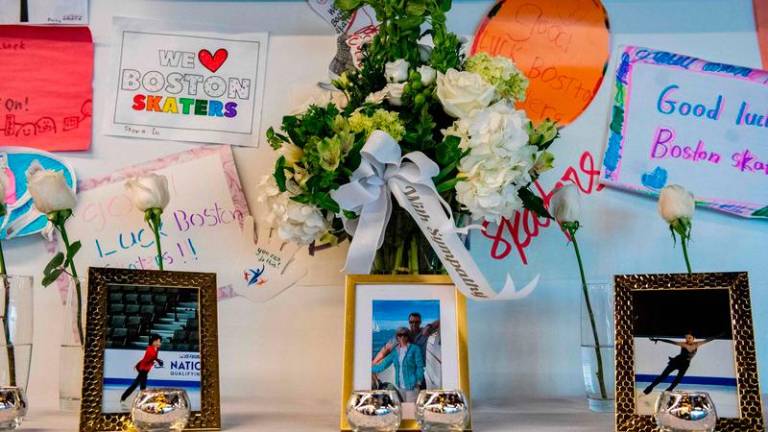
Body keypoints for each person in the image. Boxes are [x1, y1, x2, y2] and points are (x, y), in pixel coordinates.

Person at [643, 332, 721, 395]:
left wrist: (718, 335)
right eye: (686, 337)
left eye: (689, 337)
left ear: (694, 338)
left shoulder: (697, 344)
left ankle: (669, 389)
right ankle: (650, 387)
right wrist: (659, 339)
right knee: (663, 376)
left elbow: (709, 339)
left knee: (678, 379)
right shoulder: (683, 344)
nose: (687, 339)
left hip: (685, 364)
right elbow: (670, 342)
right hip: (677, 361)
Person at [372, 327, 424, 402]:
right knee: (402, 408)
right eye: (400, 335)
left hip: (412, 386)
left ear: (408, 336)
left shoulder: (415, 349)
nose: (402, 337)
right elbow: (383, 365)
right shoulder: (395, 352)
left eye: (405, 335)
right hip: (400, 386)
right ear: (397, 337)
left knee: (411, 409)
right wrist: (370, 368)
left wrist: (418, 382)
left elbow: (420, 367)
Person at [121, 334, 164, 403]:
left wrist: (157, 360)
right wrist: (158, 361)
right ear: (154, 342)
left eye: (160, 342)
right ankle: (124, 397)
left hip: (145, 369)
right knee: (136, 385)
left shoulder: (157, 349)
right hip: (143, 369)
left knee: (142, 386)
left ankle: (141, 399)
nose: (160, 343)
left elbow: (152, 358)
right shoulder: (149, 348)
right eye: (158, 341)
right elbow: (151, 358)